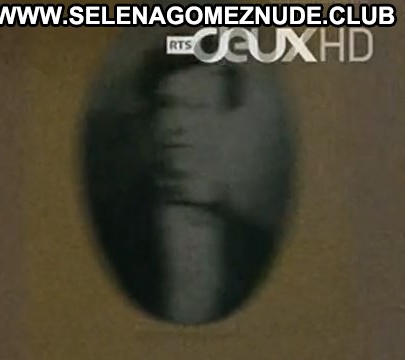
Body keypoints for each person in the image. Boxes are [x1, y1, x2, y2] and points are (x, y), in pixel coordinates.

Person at [90, 50, 279, 327]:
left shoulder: (257, 246)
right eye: (167, 106)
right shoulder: (109, 228)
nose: (177, 124)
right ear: (149, 121)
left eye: (196, 107)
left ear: (225, 121)